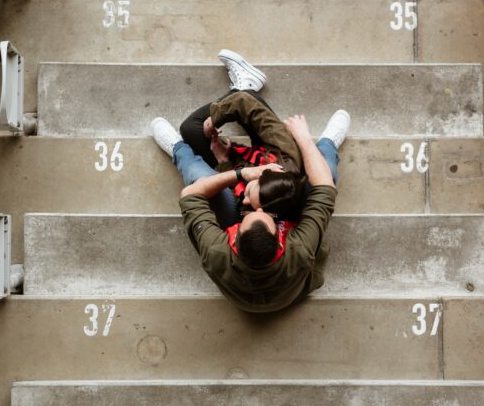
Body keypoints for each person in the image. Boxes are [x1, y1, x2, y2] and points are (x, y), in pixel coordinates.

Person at [150, 50, 350, 312]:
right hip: (294, 285)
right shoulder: (299, 249)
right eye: (263, 213)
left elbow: (191, 194)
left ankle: (179, 148)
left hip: (246, 289)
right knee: (325, 171)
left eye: (251, 214)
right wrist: (303, 137)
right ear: (281, 238)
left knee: (198, 174)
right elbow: (325, 186)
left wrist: (238, 173)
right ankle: (326, 144)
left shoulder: (217, 251)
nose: (256, 208)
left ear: (233, 235)